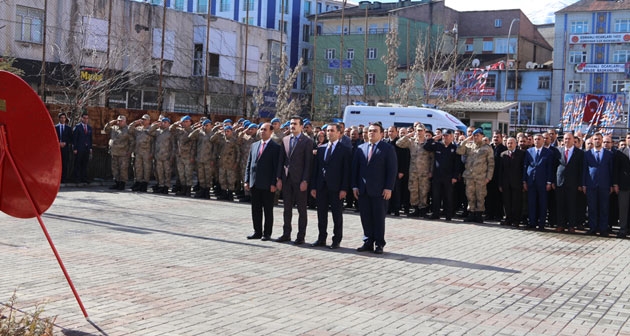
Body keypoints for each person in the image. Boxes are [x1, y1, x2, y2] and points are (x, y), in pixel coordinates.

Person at [352, 122, 397, 254]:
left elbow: (392, 170)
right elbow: (356, 169)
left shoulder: (387, 148)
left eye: (375, 131)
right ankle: (368, 241)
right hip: (363, 190)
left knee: (378, 217)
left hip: (380, 190)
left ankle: (379, 243)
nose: (371, 133)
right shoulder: (361, 148)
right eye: (370, 131)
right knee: (365, 217)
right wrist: (354, 185)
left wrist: (389, 188)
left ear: (381, 134)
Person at [310, 123, 352, 249]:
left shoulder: (345, 149)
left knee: (336, 215)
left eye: (332, 130)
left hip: (336, 188)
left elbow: (346, 171)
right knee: (321, 214)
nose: (329, 133)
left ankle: (336, 240)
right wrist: (313, 186)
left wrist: (344, 188)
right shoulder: (321, 148)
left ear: (339, 133)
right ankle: (321, 238)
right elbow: (316, 170)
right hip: (321, 187)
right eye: (327, 130)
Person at [275, 116, 313, 245]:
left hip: (300, 180)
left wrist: (305, 180)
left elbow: (308, 163)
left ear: (301, 126)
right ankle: (286, 234)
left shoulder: (307, 141)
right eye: (291, 123)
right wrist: (279, 178)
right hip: (287, 179)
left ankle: (301, 236)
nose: (292, 126)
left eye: (295, 124)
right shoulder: (285, 140)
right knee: (287, 209)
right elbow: (281, 160)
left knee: (302, 210)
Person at [244, 123, 281, 241]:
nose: (262, 132)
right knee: (255, 209)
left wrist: (273, 183)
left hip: (267, 185)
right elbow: (249, 164)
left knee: (268, 210)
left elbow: (276, 168)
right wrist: (247, 180)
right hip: (254, 183)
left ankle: (267, 233)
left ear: (271, 132)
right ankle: (257, 231)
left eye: (265, 130)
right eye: (261, 129)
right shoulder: (254, 145)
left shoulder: (275, 147)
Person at [456, 128, 494, 223]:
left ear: (482, 136)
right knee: (470, 195)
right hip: (469, 176)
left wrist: (488, 177)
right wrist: (466, 140)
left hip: (481, 177)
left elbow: (491, 164)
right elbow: (459, 151)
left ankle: (479, 215)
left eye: (478, 135)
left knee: (480, 196)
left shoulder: (487, 148)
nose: (476, 137)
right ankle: (471, 214)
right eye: (474, 135)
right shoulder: (469, 146)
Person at [396, 125, 433, 217]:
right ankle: (415, 208)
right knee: (413, 190)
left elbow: (432, 159)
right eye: (417, 130)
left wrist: (431, 171)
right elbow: (398, 143)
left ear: (424, 131)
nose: (419, 132)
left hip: (424, 172)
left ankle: (423, 209)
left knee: (424, 190)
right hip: (413, 171)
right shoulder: (412, 142)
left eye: (421, 130)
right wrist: (409, 135)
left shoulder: (428, 143)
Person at [423, 129, 460, 221]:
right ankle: (436, 214)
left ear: (452, 137)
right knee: (436, 196)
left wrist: (455, 176)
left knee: (448, 197)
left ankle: (448, 215)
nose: (445, 137)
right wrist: (434, 138)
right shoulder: (438, 145)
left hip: (449, 176)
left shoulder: (455, 148)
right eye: (443, 135)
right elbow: (426, 146)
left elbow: (457, 164)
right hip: (437, 176)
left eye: (447, 135)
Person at [583, 132, 614, 237]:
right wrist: (584, 184)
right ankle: (592, 228)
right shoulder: (587, 154)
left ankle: (603, 229)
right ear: (592, 140)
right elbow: (584, 170)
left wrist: (611, 185)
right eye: (595, 139)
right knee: (592, 208)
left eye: (599, 139)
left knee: (604, 208)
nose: (597, 141)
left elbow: (611, 171)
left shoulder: (609, 154)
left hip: (604, 185)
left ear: (602, 140)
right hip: (591, 185)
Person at [523, 134, 554, 231]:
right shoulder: (529, 151)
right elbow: (525, 166)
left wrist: (549, 182)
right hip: (531, 181)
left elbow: (550, 168)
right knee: (531, 202)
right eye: (535, 139)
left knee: (542, 203)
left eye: (539, 139)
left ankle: (541, 223)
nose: (536, 141)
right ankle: (532, 222)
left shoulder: (548, 152)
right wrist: (524, 181)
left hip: (543, 181)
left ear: (543, 141)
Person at [499, 137, 525, 227]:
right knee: (507, 202)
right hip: (506, 183)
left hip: (517, 183)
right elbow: (500, 171)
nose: (510, 144)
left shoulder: (521, 154)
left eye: (511, 143)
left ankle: (516, 220)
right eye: (508, 143)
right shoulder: (503, 154)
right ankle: (508, 219)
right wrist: (500, 184)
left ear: (516, 144)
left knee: (516, 202)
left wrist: (523, 182)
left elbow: (523, 169)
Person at [384, 126, 410, 216]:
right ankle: (388, 209)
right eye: (389, 131)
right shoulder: (385, 142)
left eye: (392, 131)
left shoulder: (400, 143)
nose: (390, 133)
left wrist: (402, 171)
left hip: (397, 171)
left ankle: (396, 209)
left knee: (396, 192)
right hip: (386, 171)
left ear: (396, 132)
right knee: (386, 190)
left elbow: (405, 158)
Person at [210, 125, 241, 201]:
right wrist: (218, 133)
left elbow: (238, 152)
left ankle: (230, 195)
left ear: (231, 132)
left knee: (230, 180)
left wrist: (236, 163)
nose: (226, 133)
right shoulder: (221, 139)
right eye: (225, 131)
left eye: (228, 131)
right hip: (222, 163)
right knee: (222, 179)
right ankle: (224, 194)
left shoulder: (234, 140)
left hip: (230, 163)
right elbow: (212, 140)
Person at [104, 115, 134, 190]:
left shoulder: (128, 129)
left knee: (123, 169)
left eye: (121, 121)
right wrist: (110, 123)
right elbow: (106, 130)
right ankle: (116, 183)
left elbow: (132, 142)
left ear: (125, 121)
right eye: (118, 120)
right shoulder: (114, 128)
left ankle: (122, 184)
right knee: (115, 169)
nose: (119, 122)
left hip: (123, 153)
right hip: (114, 152)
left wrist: (130, 151)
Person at [189, 119, 216, 199]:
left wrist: (213, 159)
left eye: (208, 125)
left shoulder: (213, 134)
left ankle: (207, 191)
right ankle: (202, 190)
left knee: (208, 176)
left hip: (208, 159)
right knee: (201, 176)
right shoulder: (200, 133)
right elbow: (190, 137)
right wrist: (198, 129)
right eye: (205, 125)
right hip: (200, 158)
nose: (206, 126)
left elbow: (215, 148)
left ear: (211, 126)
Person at [170, 116, 196, 196]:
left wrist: (192, 156)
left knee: (188, 174)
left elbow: (194, 146)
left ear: (190, 122)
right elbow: (171, 129)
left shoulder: (192, 131)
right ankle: (183, 189)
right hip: (180, 155)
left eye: (186, 121)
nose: (184, 123)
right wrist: (176, 124)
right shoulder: (179, 131)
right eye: (183, 122)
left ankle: (188, 190)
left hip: (188, 156)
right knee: (181, 174)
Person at [128, 114, 153, 192]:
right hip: (138, 152)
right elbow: (129, 129)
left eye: (145, 119)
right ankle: (138, 182)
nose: (143, 120)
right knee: (138, 168)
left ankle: (145, 183)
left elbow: (154, 142)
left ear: (149, 121)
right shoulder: (138, 129)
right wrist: (135, 122)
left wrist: (152, 152)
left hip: (147, 152)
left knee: (146, 168)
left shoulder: (151, 129)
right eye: (142, 119)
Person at [150, 117, 173, 194]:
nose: (163, 123)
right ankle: (161, 185)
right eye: (163, 122)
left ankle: (166, 187)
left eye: (165, 122)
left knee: (167, 172)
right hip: (158, 155)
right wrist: (156, 125)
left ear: (169, 124)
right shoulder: (158, 132)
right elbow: (150, 131)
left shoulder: (170, 132)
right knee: (159, 172)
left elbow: (173, 145)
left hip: (167, 156)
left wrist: (172, 156)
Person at [614, 133, 630, 238]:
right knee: (623, 208)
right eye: (629, 138)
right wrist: (615, 183)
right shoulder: (620, 152)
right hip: (624, 185)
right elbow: (616, 170)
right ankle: (623, 229)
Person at [72, 113, 93, 183]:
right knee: (77, 164)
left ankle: (84, 178)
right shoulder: (77, 127)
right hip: (79, 149)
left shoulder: (89, 128)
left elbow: (90, 139)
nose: (86, 119)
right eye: (84, 118)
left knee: (85, 164)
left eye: (87, 118)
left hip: (86, 149)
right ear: (81, 118)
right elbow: (74, 139)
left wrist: (90, 148)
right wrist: (74, 148)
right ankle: (76, 178)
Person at [55, 113, 73, 183]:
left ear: (65, 119)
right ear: (59, 119)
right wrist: (58, 143)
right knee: (57, 164)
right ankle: (57, 178)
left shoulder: (68, 128)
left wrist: (65, 143)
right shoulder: (55, 127)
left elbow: (71, 138)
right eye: (61, 118)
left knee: (65, 164)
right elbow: (53, 138)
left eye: (64, 118)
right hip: (57, 149)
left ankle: (64, 178)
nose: (63, 119)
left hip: (65, 149)